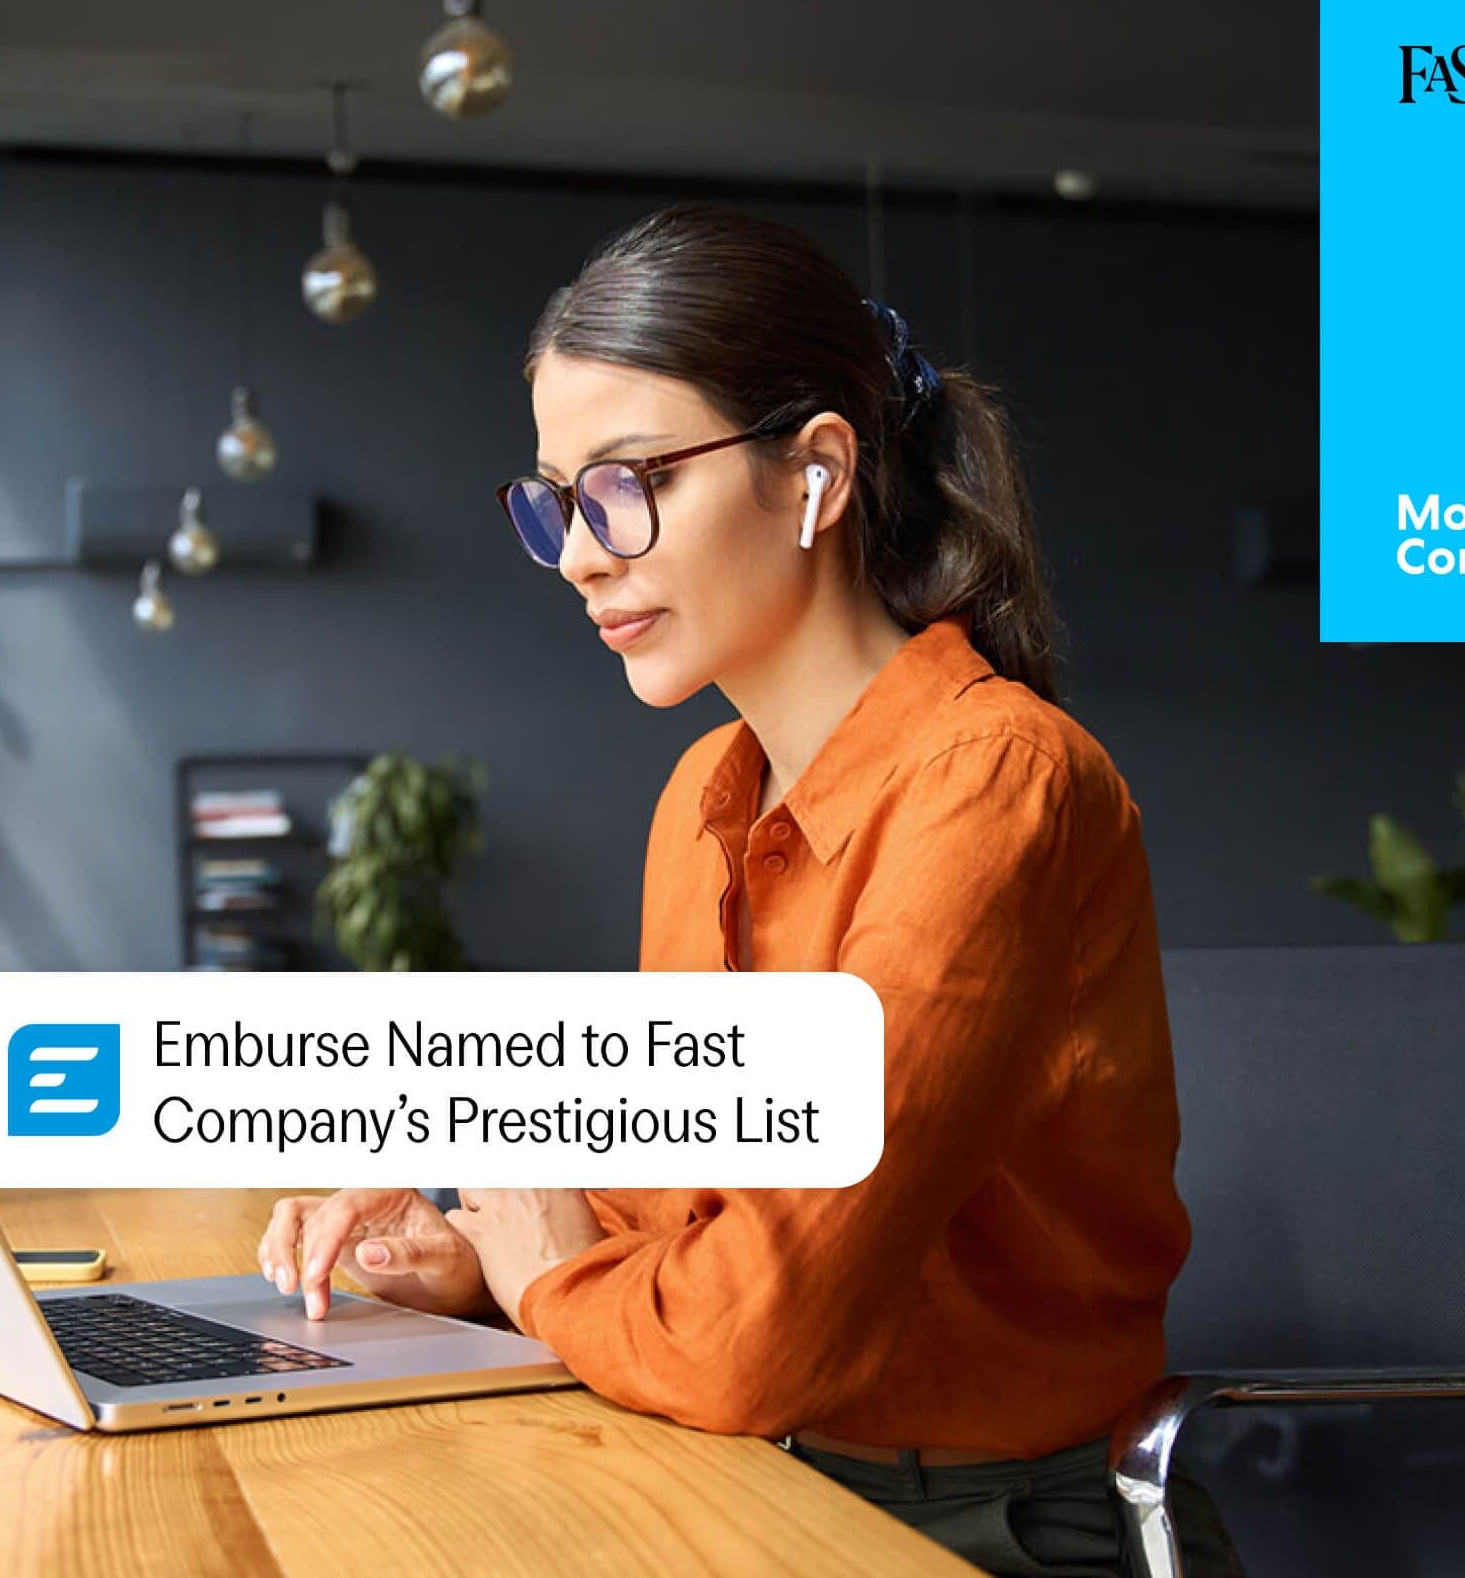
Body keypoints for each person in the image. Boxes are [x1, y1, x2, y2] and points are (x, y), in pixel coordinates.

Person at [257, 200, 1242, 1577]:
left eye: (627, 481)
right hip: (747, 1477)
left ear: (816, 474)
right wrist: (477, 1255)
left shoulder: (995, 784)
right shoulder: (706, 797)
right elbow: (688, 1214)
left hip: (986, 1530)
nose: (585, 553)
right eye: (555, 502)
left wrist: (548, 1277)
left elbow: (757, 1332)